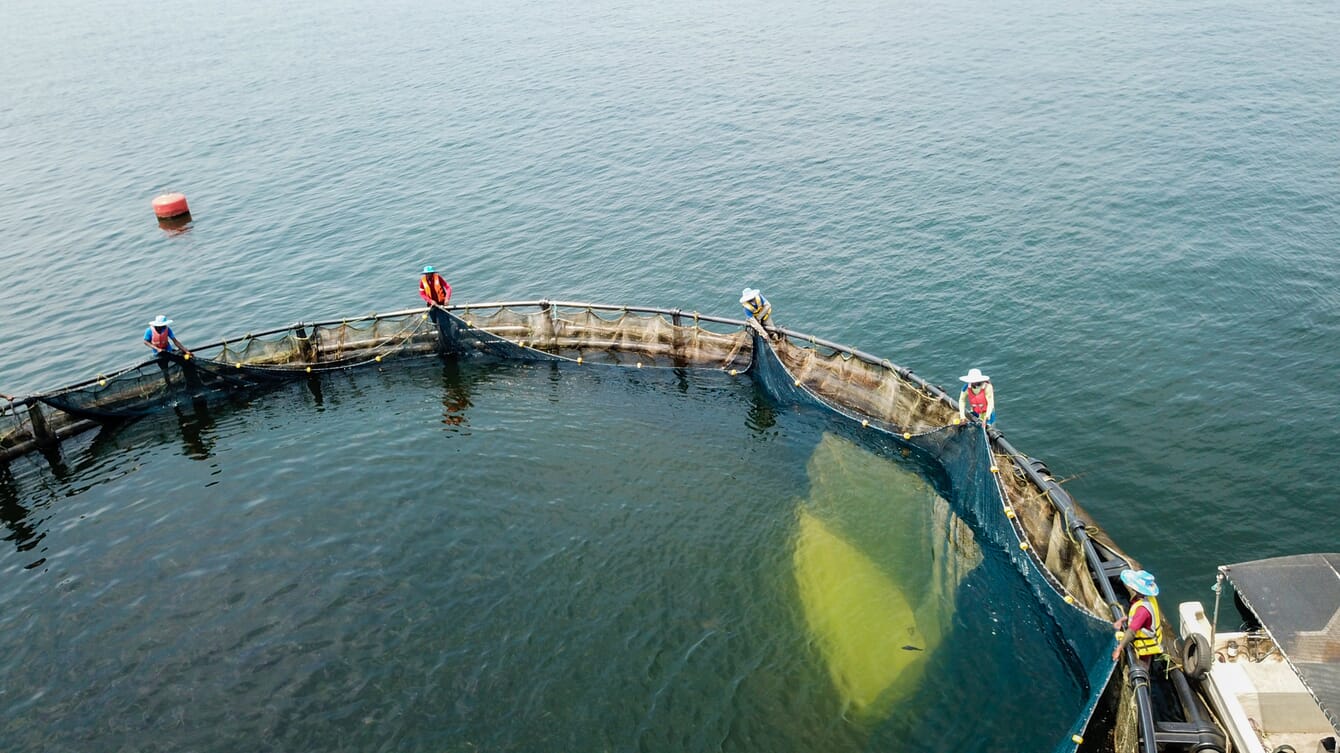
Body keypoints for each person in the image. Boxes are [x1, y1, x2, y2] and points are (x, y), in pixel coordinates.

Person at [1111, 568, 1165, 664]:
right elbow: (1134, 615)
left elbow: (1131, 632)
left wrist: (1118, 649)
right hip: (1153, 637)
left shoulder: (1142, 610)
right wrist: (1122, 620)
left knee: (1143, 666)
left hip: (1146, 646)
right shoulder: (1148, 598)